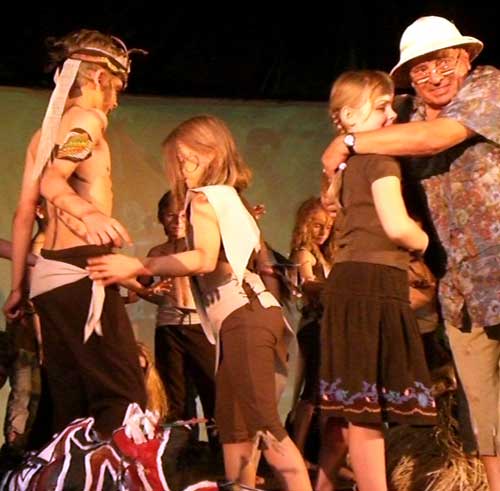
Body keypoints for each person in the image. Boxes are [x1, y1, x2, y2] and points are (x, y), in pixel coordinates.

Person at [321, 16, 500, 490]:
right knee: (483, 410)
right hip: (461, 290)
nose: (434, 76)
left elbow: (439, 137)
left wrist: (347, 141)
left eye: (443, 62)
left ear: (466, 58)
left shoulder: (488, 88)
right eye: (421, 70)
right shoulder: (403, 119)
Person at [87, 115, 312, 491]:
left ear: (213, 153)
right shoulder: (230, 198)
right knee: (234, 426)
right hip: (241, 319)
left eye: (187, 158)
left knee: (262, 425)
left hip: (245, 317)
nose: (181, 169)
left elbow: (204, 259)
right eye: (177, 162)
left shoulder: (206, 197)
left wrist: (140, 264)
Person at [21, 29, 147, 439]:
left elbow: (24, 214)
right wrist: (87, 212)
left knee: (70, 405)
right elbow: (53, 181)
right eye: (116, 89)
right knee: (122, 399)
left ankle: (63, 472)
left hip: (48, 276)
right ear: (97, 78)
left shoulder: (43, 135)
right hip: (80, 269)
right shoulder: (89, 121)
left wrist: (17, 287)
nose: (116, 101)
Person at [319, 70, 437, 491]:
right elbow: (397, 226)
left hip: (351, 281)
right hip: (373, 282)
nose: (392, 115)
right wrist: (429, 243)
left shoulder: (348, 166)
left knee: (356, 405)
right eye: (382, 106)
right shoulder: (380, 160)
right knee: (367, 410)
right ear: (350, 116)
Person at [139, 191, 217, 441]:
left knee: (212, 388)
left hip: (199, 324)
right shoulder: (156, 252)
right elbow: (139, 288)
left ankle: (221, 451)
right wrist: (152, 293)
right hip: (168, 325)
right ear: (161, 218)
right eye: (170, 215)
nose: (176, 221)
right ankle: (180, 450)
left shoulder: (199, 248)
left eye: (182, 216)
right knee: (175, 395)